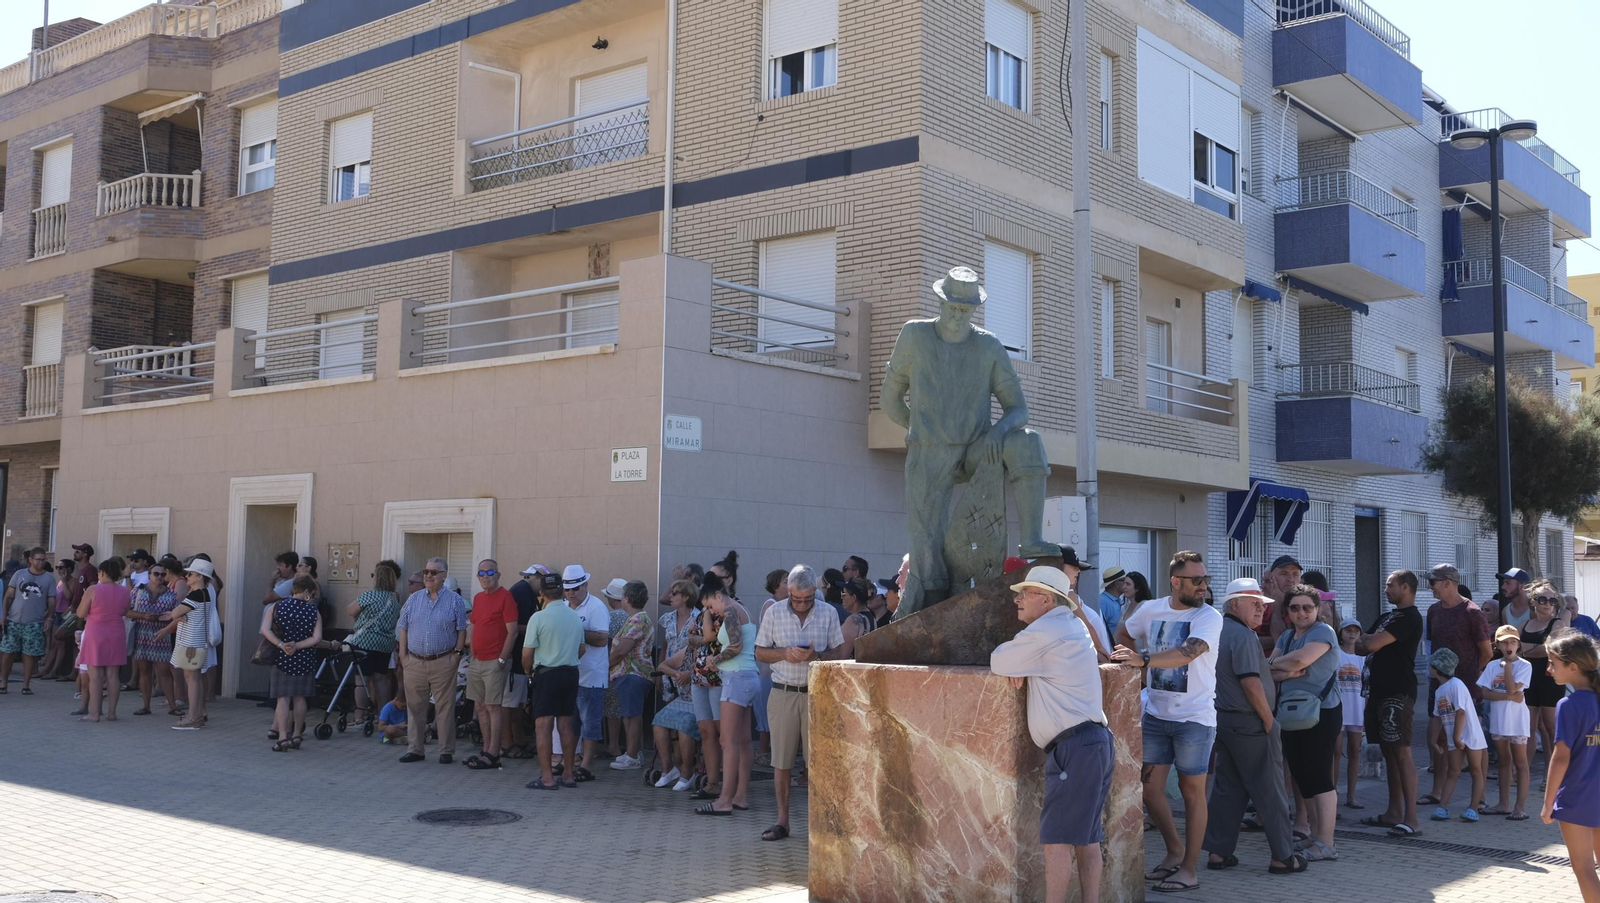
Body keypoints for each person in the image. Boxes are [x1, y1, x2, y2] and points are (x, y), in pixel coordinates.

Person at [881, 266, 1054, 618]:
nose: (959, 315)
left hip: (978, 449)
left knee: (1027, 442)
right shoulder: (915, 335)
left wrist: (998, 431)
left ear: (975, 309)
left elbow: (1018, 408)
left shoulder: (988, 345)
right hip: (929, 453)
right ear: (941, 303)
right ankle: (930, 605)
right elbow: (890, 398)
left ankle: (1032, 538)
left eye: (966, 309)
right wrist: (921, 431)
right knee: (928, 554)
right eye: (953, 307)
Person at [990, 566, 1112, 903]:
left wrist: (1019, 664)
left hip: (1075, 747)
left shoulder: (1047, 629)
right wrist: (1026, 665)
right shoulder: (1068, 625)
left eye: (1025, 593)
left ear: (1046, 599)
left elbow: (999, 660)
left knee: (1057, 841)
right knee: (1087, 839)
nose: (1017, 599)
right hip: (1091, 743)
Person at [1111, 551, 1223, 894]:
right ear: (1175, 581)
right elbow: (1123, 633)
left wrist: (1143, 660)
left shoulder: (1209, 616)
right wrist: (1137, 669)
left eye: (1205, 579)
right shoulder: (1150, 609)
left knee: (1192, 794)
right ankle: (1175, 851)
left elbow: (1189, 651)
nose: (1203, 586)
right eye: (1197, 580)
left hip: (1195, 719)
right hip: (1157, 716)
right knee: (1148, 790)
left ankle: (1189, 870)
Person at [1202, 578, 1303, 877]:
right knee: (1270, 789)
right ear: (1235, 604)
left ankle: (1218, 852)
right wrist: (1269, 721)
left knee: (1227, 789)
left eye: (1262, 604)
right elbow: (1249, 682)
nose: (1261, 609)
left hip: (1226, 720)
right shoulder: (1243, 635)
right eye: (1254, 603)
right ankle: (1283, 857)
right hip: (1250, 721)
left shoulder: (1220, 629)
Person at [754, 564, 845, 841]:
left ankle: (824, 825)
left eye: (808, 599)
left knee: (820, 762)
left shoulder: (828, 612)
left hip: (818, 694)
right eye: (797, 599)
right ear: (788, 592)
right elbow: (760, 652)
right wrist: (784, 653)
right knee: (782, 761)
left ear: (815, 592)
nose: (803, 604)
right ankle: (782, 822)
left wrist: (817, 657)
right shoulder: (774, 612)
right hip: (783, 692)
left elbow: (841, 652)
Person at [1268, 585, 1342, 861]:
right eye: (1295, 608)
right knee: (1302, 776)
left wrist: (1279, 665)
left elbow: (1299, 660)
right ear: (1287, 611)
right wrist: (1284, 669)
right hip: (1291, 713)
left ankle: (1327, 843)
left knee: (1320, 777)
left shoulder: (1323, 632)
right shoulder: (1287, 636)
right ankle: (1315, 835)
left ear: (1317, 609)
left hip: (1321, 712)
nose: (1301, 613)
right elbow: (1269, 672)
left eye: (1307, 607)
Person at [1354, 569, 1425, 837]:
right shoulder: (1387, 617)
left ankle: (1412, 819)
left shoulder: (1410, 617)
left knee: (1402, 752)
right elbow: (1359, 645)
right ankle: (1393, 812)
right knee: (1389, 752)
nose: (1386, 590)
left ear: (1406, 587)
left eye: (1390, 585)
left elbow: (1371, 643)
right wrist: (1368, 641)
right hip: (1377, 691)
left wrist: (1370, 641)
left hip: (1398, 692)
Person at [1422, 564, 1491, 807]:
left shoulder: (1472, 612)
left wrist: (1470, 678)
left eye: (1433, 582)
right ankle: (1437, 791)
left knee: (1475, 740)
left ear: (1447, 583)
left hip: (1467, 688)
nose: (1429, 587)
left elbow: (1486, 652)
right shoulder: (1433, 610)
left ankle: (1480, 797)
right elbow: (1432, 645)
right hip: (1439, 685)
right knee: (1440, 736)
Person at [1541, 631, 1600, 902]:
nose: (1548, 669)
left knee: (1585, 870)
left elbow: (1560, 757)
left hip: (1577, 798)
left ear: (1573, 666)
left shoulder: (1568, 705)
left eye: (1553, 663)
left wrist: (1548, 803)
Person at [396, 557, 467, 764]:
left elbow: (461, 630)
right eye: (426, 571)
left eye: (434, 572)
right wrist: (403, 656)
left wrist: (456, 656)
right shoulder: (414, 599)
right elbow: (403, 627)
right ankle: (415, 749)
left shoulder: (454, 600)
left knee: (445, 708)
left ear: (444, 576)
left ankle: (446, 750)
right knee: (415, 708)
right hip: (414, 662)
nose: (428, 575)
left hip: (443, 661)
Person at [697, 572, 757, 816]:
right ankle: (740, 796)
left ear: (718, 596)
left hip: (736, 677)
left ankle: (724, 800)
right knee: (743, 741)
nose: (713, 612)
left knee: (727, 741)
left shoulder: (731, 610)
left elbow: (735, 646)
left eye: (711, 606)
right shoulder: (742, 609)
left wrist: (714, 661)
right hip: (748, 676)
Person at [521, 574, 585, 791]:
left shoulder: (538, 617)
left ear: (541, 594)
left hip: (547, 674)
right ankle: (568, 775)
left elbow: (527, 654)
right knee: (566, 724)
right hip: (571, 673)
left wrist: (528, 672)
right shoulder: (574, 616)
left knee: (543, 725)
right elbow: (582, 648)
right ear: (562, 591)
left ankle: (547, 778)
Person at [464, 559, 518, 770]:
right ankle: (486, 750)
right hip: (477, 660)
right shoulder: (478, 598)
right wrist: (472, 651)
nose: (485, 576)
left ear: (498, 575)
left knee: (493, 707)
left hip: (495, 661)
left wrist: (502, 659)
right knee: (479, 706)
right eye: (481, 573)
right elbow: (474, 626)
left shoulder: (506, 597)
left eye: (490, 572)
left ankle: (494, 752)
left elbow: (512, 631)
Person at [1478, 624, 1533, 820]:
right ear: (1497, 645)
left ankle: (1520, 807)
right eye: (1504, 643)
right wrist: (1509, 697)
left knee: (1520, 763)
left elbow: (1512, 688)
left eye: (1513, 642)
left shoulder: (1525, 666)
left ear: (1518, 644)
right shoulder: (1492, 666)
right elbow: (1485, 693)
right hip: (1499, 721)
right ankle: (1503, 804)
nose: (1509, 646)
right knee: (1503, 761)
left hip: (1517, 721)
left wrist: (1508, 668)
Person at [263, 575, 323, 751]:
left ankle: (282, 737)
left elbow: (265, 629)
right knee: (300, 698)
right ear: (306, 591)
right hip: (305, 658)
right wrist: (297, 645)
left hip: (282, 658)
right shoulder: (313, 611)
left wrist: (281, 645)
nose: (312, 597)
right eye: (312, 594)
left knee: (283, 698)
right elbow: (317, 638)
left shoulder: (276, 607)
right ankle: (297, 734)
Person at [1427, 647, 1488, 822]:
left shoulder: (1456, 685)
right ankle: (1442, 807)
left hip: (1470, 735)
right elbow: (1437, 718)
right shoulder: (1439, 690)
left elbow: (1461, 712)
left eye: (1431, 665)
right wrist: (1433, 740)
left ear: (1438, 668)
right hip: (1454, 736)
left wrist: (1456, 737)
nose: (1429, 668)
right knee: (1453, 771)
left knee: (1476, 771)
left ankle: (1473, 808)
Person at [562, 565, 611, 781]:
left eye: (575, 588)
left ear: (585, 585)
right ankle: (569, 763)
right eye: (567, 589)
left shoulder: (596, 607)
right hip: (570, 673)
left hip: (591, 675)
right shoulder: (564, 607)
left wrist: (574, 631)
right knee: (571, 724)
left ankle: (587, 766)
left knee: (590, 723)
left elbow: (601, 639)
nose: (571, 593)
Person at [652, 579, 702, 790]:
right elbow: (664, 647)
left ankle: (686, 770)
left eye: (675, 593)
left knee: (683, 724)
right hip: (674, 673)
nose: (670, 597)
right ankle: (668, 768)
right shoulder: (669, 618)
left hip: (695, 679)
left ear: (686, 597)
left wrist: (689, 673)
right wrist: (668, 674)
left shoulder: (699, 618)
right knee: (662, 721)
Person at [157, 558, 215, 730]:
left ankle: (193, 716)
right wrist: (176, 616)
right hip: (194, 642)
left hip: (191, 643)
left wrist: (175, 614)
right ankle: (197, 714)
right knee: (193, 678)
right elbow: (178, 614)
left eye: (190, 574)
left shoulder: (196, 594)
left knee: (192, 678)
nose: (187, 576)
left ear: (200, 577)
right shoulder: (202, 594)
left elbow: (176, 613)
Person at [1522, 582, 1571, 786]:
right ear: (1533, 601)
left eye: (1552, 600)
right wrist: (1533, 648)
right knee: (1528, 728)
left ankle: (1553, 775)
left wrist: (1526, 649)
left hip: (1550, 679)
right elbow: (1517, 647)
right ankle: (1522, 773)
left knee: (1551, 728)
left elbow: (1549, 649)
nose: (1548, 604)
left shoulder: (1557, 623)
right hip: (1529, 680)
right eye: (1543, 599)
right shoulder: (1526, 624)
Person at [74, 557, 132, 723]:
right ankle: (112, 713)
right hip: (117, 633)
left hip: (96, 633)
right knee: (113, 675)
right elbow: (126, 611)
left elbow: (80, 613)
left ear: (102, 572)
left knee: (96, 676)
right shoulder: (124, 591)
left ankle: (94, 714)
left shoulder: (93, 589)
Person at [687, 571, 726, 800]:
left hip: (719, 678)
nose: (706, 608)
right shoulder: (703, 613)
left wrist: (704, 632)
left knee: (724, 733)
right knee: (706, 731)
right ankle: (712, 783)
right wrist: (701, 638)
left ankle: (729, 784)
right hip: (699, 676)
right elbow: (691, 638)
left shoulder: (728, 612)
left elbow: (712, 637)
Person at [608, 581, 654, 771]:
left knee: (631, 716)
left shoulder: (637, 620)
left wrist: (604, 666)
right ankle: (633, 752)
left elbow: (622, 650)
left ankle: (633, 756)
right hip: (633, 674)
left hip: (631, 673)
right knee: (631, 714)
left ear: (626, 598)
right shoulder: (638, 618)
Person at [347, 561, 402, 719]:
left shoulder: (370, 595)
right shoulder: (394, 599)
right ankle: (382, 717)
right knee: (381, 679)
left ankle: (359, 716)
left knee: (362, 680)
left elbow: (350, 610)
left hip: (365, 642)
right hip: (385, 644)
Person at [1, 547, 57, 695]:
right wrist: (4, 615)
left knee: (30, 654)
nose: (41, 562)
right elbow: (9, 596)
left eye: (43, 560)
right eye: (38, 559)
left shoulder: (49, 578)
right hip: (14, 620)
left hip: (34, 622)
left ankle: (26, 685)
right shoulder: (20, 574)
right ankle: (4, 682)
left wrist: (49, 618)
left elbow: (52, 601)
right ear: (30, 560)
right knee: (8, 652)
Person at [127, 559, 178, 715]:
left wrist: (162, 618)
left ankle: (173, 706)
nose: (160, 577)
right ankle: (146, 706)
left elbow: (177, 616)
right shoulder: (138, 591)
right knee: (144, 671)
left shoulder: (171, 594)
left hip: (161, 636)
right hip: (142, 635)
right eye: (156, 574)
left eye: (163, 574)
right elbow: (127, 611)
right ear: (149, 575)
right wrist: (143, 615)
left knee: (164, 672)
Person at [1333, 618, 1366, 810]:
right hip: (1338, 709)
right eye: (1348, 630)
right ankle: (1332, 793)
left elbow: (1368, 687)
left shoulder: (1364, 658)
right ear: (1341, 633)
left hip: (1357, 710)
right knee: (1336, 751)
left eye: (1356, 630)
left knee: (1355, 750)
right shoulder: (1335, 654)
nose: (1352, 633)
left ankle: (1351, 796)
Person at [1056, 548, 1112, 661]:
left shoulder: (1090, 616)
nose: (1078, 571)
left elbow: (1105, 656)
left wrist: (1099, 648)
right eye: (1073, 566)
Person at [1256, 555, 1303, 653]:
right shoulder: (1258, 606)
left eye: (1295, 574)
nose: (1290, 579)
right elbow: (1244, 641)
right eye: (1284, 573)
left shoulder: (1307, 607)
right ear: (1272, 577)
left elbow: (1284, 645)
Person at [838, 577, 876, 659]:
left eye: (844, 594)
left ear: (853, 598)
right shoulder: (872, 617)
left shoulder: (852, 621)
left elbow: (841, 656)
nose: (841, 598)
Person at [1098, 566, 1130, 636]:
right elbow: (1098, 629)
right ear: (1117, 584)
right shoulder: (1103, 602)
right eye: (1124, 581)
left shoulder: (1117, 600)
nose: (1126, 584)